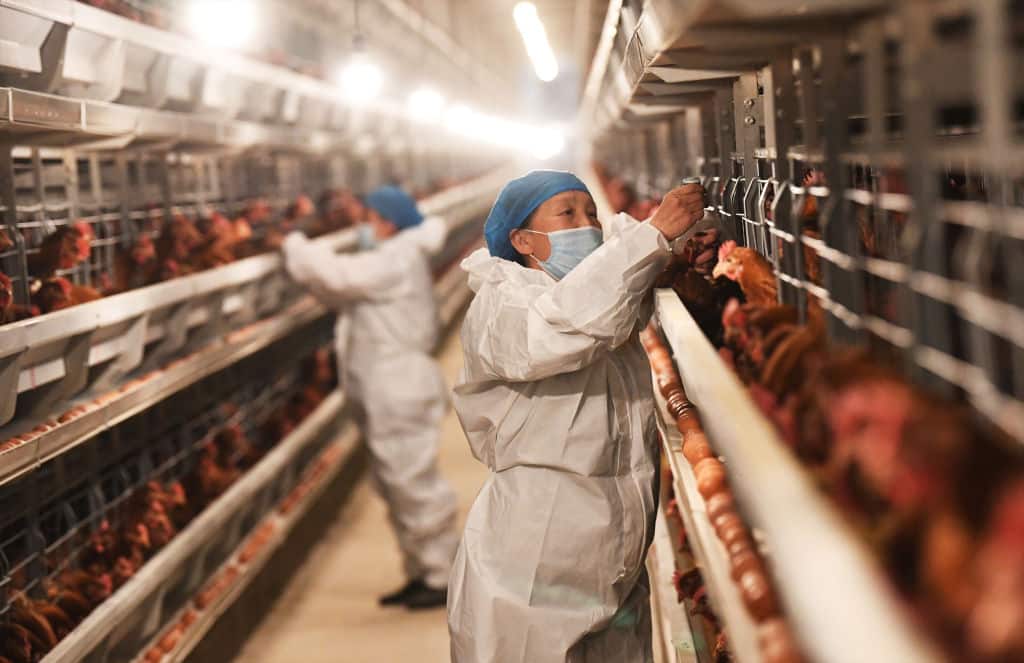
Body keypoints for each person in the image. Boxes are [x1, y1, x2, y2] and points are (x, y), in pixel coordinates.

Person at [447, 171, 705, 661]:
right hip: (535, 556)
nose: (586, 224)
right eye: (566, 213)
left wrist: (664, 254)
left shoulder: (599, 297)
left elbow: (608, 295)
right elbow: (570, 324)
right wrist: (652, 238)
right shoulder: (503, 306)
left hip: (615, 555)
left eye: (591, 213)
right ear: (522, 240)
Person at [281, 185, 458, 610]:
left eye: (366, 217)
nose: (361, 225)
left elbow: (336, 276)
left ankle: (443, 574)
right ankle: (423, 570)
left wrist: (292, 242)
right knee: (396, 484)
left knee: (413, 484)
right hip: (388, 386)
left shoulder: (395, 258)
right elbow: (339, 290)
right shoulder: (394, 257)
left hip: (398, 387)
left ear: (387, 221)